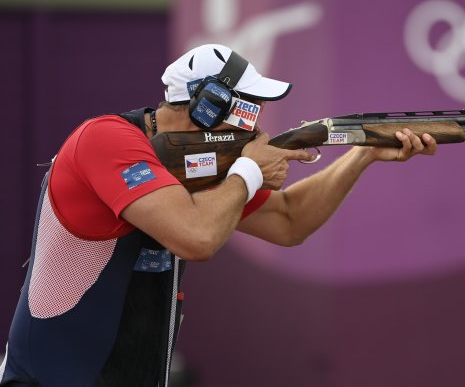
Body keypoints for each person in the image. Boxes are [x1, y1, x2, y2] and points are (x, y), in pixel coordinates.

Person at [0, 44, 436, 386]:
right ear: (207, 104)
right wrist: (248, 170)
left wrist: (360, 155)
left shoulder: (200, 171)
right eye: (248, 105)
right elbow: (195, 237)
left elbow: (289, 221)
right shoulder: (105, 140)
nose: (258, 121)